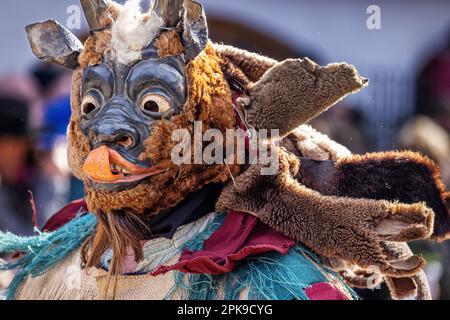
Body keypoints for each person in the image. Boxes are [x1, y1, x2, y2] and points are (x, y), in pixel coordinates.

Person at [1, 0, 450, 301]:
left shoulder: (271, 282)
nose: (109, 132)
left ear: (200, 113)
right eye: (93, 104)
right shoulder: (54, 264)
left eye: (152, 104)